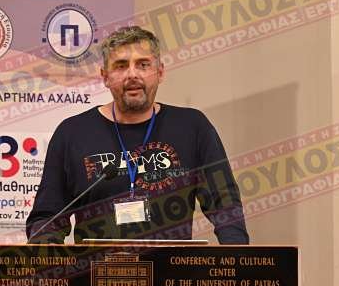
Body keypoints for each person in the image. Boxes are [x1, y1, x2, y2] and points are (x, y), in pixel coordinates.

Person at [26, 25, 249, 244]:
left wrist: (236, 256)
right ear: (105, 76)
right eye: (121, 66)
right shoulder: (72, 133)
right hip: (96, 267)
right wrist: (46, 258)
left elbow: (225, 204)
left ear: (160, 72)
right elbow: (47, 219)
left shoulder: (192, 127)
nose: (132, 74)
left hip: (170, 268)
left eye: (143, 65)